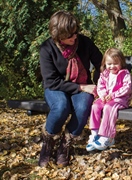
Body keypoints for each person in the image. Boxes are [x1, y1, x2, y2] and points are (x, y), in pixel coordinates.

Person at [38, 10, 102, 167]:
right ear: (58, 36)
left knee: (83, 107)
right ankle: (48, 142)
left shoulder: (85, 42)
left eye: (76, 32)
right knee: (61, 107)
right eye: (70, 35)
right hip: (57, 87)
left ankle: (65, 145)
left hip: (83, 87)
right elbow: (52, 82)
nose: (75, 37)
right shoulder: (47, 49)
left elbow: (102, 63)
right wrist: (82, 86)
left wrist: (100, 84)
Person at [86, 48, 132, 151]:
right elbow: (100, 86)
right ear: (105, 63)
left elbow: (127, 88)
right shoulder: (104, 74)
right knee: (95, 106)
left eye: (115, 63)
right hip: (106, 98)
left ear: (121, 62)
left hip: (120, 99)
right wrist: (102, 95)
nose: (112, 66)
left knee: (108, 107)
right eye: (109, 64)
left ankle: (107, 137)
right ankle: (95, 134)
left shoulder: (125, 74)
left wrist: (113, 95)